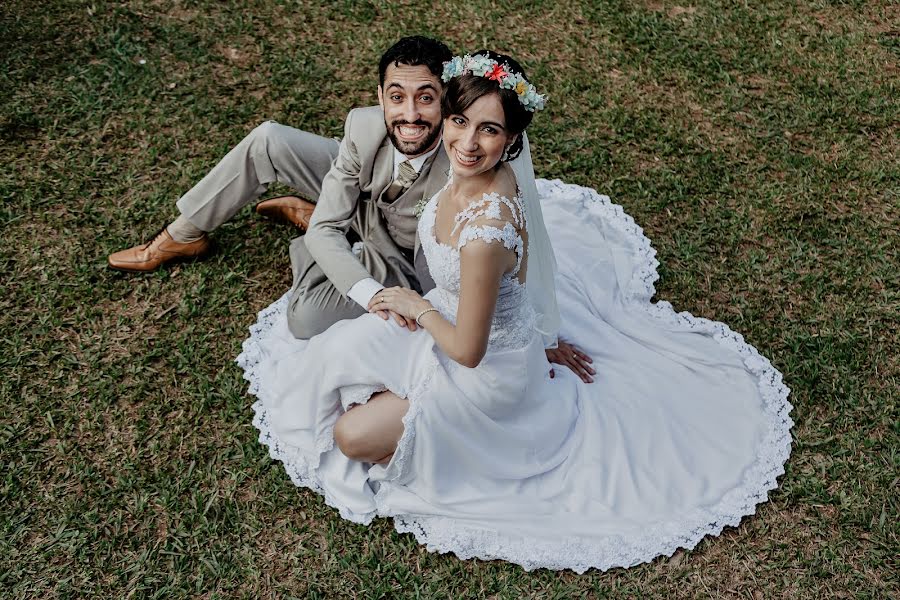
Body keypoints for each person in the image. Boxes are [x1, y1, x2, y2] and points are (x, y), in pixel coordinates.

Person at [237, 51, 793, 572]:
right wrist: (523, 327)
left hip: (482, 373)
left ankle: (423, 416)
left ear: (514, 138)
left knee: (350, 437)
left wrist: (416, 306)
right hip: (458, 315)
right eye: (459, 121)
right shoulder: (471, 173)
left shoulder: (485, 234)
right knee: (333, 356)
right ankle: (397, 392)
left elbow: (468, 352)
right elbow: (515, 284)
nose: (468, 142)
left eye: (490, 130)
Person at [108, 35, 593, 381]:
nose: (409, 115)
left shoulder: (469, 164)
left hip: (400, 251)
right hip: (367, 195)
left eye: (427, 100)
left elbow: (518, 252)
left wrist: (540, 336)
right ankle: (184, 234)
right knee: (269, 142)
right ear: (380, 96)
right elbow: (359, 158)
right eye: (396, 97)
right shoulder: (364, 126)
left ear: (447, 102)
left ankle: (318, 223)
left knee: (304, 318)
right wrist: (335, 236)